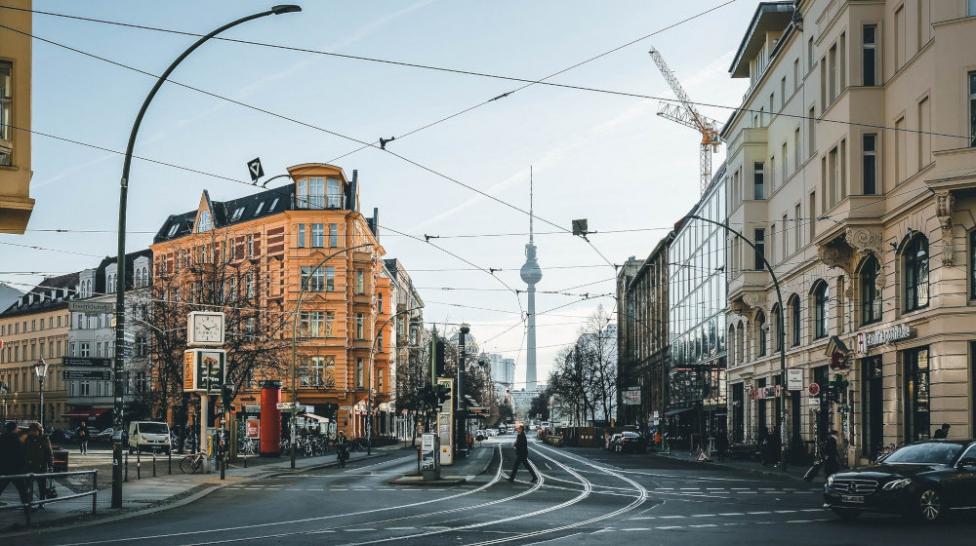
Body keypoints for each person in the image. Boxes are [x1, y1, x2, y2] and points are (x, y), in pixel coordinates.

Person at [0, 422, 29, 506]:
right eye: (17, 428)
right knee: (22, 490)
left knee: (1, 487)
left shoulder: (2, 437)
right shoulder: (16, 439)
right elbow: (20, 454)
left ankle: (27, 507)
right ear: (14, 429)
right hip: (15, 469)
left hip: (4, 467)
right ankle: (27, 508)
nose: (18, 429)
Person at [24, 423, 53, 503]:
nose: (32, 432)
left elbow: (49, 453)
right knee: (29, 485)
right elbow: (24, 451)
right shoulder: (28, 439)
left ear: (38, 431)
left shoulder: (44, 439)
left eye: (33, 430)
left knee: (42, 485)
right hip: (29, 465)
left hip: (41, 466)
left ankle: (42, 501)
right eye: (31, 430)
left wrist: (51, 465)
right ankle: (30, 502)